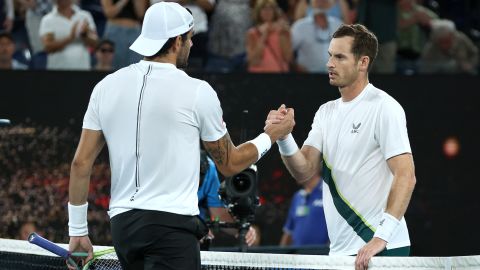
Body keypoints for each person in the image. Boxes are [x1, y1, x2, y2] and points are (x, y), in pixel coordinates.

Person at [66, 2, 294, 270]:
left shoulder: (105, 88)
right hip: (170, 231)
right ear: (176, 41)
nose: (192, 45)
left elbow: (81, 163)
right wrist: (271, 135)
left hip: (124, 229)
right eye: (189, 38)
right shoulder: (197, 91)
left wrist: (78, 231)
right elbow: (230, 163)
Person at [266, 24, 416, 270]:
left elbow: (406, 176)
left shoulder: (384, 107)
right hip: (341, 252)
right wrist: (283, 137)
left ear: (363, 62)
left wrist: (381, 237)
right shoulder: (326, 112)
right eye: (329, 55)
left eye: (339, 56)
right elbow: (303, 171)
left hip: (383, 248)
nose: (329, 64)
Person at [197, 150, 256, 248]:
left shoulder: (208, 167)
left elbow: (218, 214)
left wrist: (242, 228)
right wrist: (193, 228)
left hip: (194, 246)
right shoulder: (165, 163)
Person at [39, 0, 98, 70]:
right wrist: (70, 38)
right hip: (58, 71)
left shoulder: (85, 16)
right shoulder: (47, 19)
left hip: (83, 69)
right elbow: (47, 47)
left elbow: (96, 43)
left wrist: (84, 35)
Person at [279, 173, 328, 246]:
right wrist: (280, 255)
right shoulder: (298, 196)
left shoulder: (328, 192)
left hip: (323, 254)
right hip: (297, 253)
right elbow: (289, 230)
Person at [290, 4, 342, 73]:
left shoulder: (338, 24)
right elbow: (288, 51)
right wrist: (295, 66)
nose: (321, 2)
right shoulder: (300, 26)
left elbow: (347, 50)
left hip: (334, 76)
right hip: (307, 77)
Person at [246, 0, 292, 73]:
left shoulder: (283, 32)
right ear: (258, 12)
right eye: (264, 8)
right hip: (258, 76)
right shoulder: (252, 33)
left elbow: (288, 58)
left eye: (270, 8)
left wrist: (281, 33)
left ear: (274, 12)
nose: (267, 11)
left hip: (279, 75)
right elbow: (254, 61)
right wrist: (264, 35)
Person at [100, 0, 146, 69]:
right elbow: (109, 13)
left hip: (135, 32)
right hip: (115, 31)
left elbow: (140, 13)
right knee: (114, 67)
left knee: (137, 66)